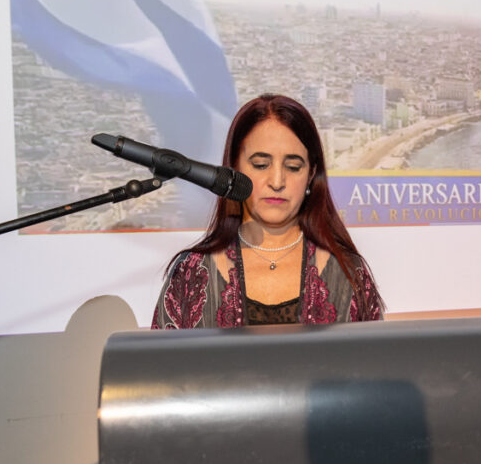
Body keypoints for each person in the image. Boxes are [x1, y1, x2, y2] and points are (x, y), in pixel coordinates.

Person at [152, 94, 383, 329]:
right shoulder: (190, 273)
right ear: (234, 168)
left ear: (311, 174)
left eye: (293, 167)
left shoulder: (349, 273)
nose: (277, 181)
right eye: (261, 165)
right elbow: (161, 353)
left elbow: (376, 352)